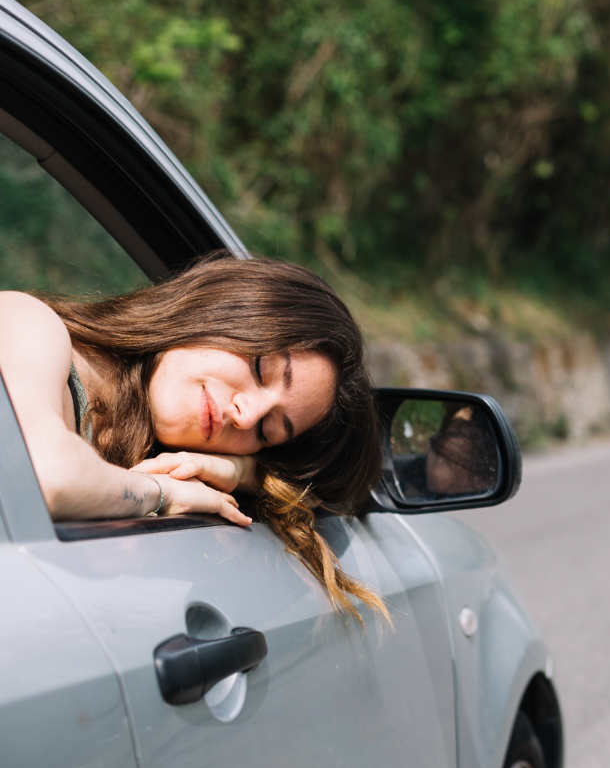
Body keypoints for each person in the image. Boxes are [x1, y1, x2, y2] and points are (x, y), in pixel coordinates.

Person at [0, 254, 385, 620]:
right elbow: (43, 476)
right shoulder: (27, 324)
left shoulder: (164, 460)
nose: (245, 415)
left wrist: (245, 473)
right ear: (217, 308)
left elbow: (322, 500)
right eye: (260, 368)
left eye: (266, 430)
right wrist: (163, 491)